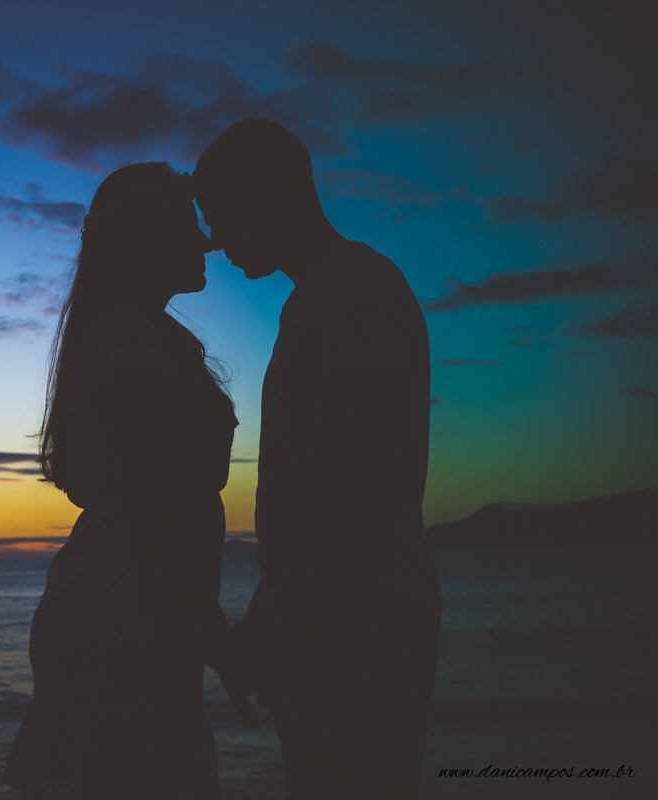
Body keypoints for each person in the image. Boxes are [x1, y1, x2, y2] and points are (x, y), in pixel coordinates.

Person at [193, 119, 442, 799]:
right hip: (338, 616)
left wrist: (281, 621)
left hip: (359, 624)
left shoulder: (352, 291)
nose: (213, 240)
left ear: (268, 195)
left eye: (220, 216)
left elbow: (356, 483)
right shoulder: (324, 296)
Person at [3, 162, 241, 799]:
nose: (205, 241)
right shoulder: (133, 342)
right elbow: (152, 512)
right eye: (187, 227)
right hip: (127, 619)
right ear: (146, 240)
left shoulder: (129, 339)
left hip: (128, 610)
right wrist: (218, 641)